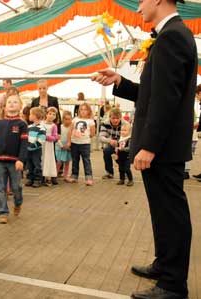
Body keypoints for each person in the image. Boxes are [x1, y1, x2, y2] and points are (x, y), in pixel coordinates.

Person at [92, 0, 196, 297]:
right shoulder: (171, 35)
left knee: (170, 213)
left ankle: (173, 284)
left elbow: (166, 101)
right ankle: (165, 266)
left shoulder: (173, 36)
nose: (138, 6)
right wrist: (120, 81)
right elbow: (154, 94)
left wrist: (149, 146)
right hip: (165, 146)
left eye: (141, 0)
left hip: (163, 148)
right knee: (162, 211)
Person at [0, 95, 28, 224]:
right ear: (4, 107)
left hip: (15, 162)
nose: (11, 104)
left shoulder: (22, 124)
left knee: (16, 187)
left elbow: (24, 144)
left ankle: (18, 202)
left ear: (20, 106)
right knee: (0, 188)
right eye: (9, 102)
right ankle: (3, 212)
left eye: (15, 102)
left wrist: (21, 159)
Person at [68, 103, 95, 186]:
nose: (83, 111)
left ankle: (89, 177)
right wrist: (69, 141)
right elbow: (70, 130)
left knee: (86, 160)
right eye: (81, 109)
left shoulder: (91, 121)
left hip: (85, 144)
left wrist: (85, 136)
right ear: (79, 111)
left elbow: (93, 133)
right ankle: (74, 176)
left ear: (89, 111)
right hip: (74, 143)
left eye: (85, 109)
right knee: (75, 160)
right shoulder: (75, 119)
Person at [99, 108, 126, 179]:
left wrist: (120, 143)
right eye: (113, 118)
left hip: (123, 143)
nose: (115, 120)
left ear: (121, 117)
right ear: (109, 117)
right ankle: (109, 173)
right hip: (111, 143)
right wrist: (110, 141)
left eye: (117, 118)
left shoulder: (125, 124)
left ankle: (125, 171)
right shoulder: (105, 123)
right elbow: (101, 137)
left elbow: (129, 137)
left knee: (121, 154)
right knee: (106, 150)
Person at [25, 107, 46, 188]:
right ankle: (30, 178)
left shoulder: (41, 128)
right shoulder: (29, 127)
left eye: (30, 114)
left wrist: (33, 146)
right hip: (28, 150)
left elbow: (41, 140)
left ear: (35, 116)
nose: (29, 116)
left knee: (37, 164)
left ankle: (38, 179)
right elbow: (26, 137)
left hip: (36, 150)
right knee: (29, 165)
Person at [42, 107, 59, 185]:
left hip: (49, 145)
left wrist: (47, 137)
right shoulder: (41, 123)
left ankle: (48, 176)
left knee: (49, 159)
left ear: (55, 117)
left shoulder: (54, 126)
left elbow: (55, 137)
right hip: (41, 144)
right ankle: (41, 175)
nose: (51, 116)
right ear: (46, 114)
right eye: (50, 114)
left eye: (54, 114)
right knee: (42, 158)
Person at [55, 111, 72, 182]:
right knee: (59, 162)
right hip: (59, 146)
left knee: (67, 162)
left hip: (68, 147)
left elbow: (72, 137)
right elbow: (57, 137)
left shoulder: (71, 128)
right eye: (66, 119)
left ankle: (65, 176)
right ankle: (54, 175)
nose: (68, 121)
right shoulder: (60, 127)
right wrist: (61, 145)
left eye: (69, 119)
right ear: (63, 119)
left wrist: (69, 145)